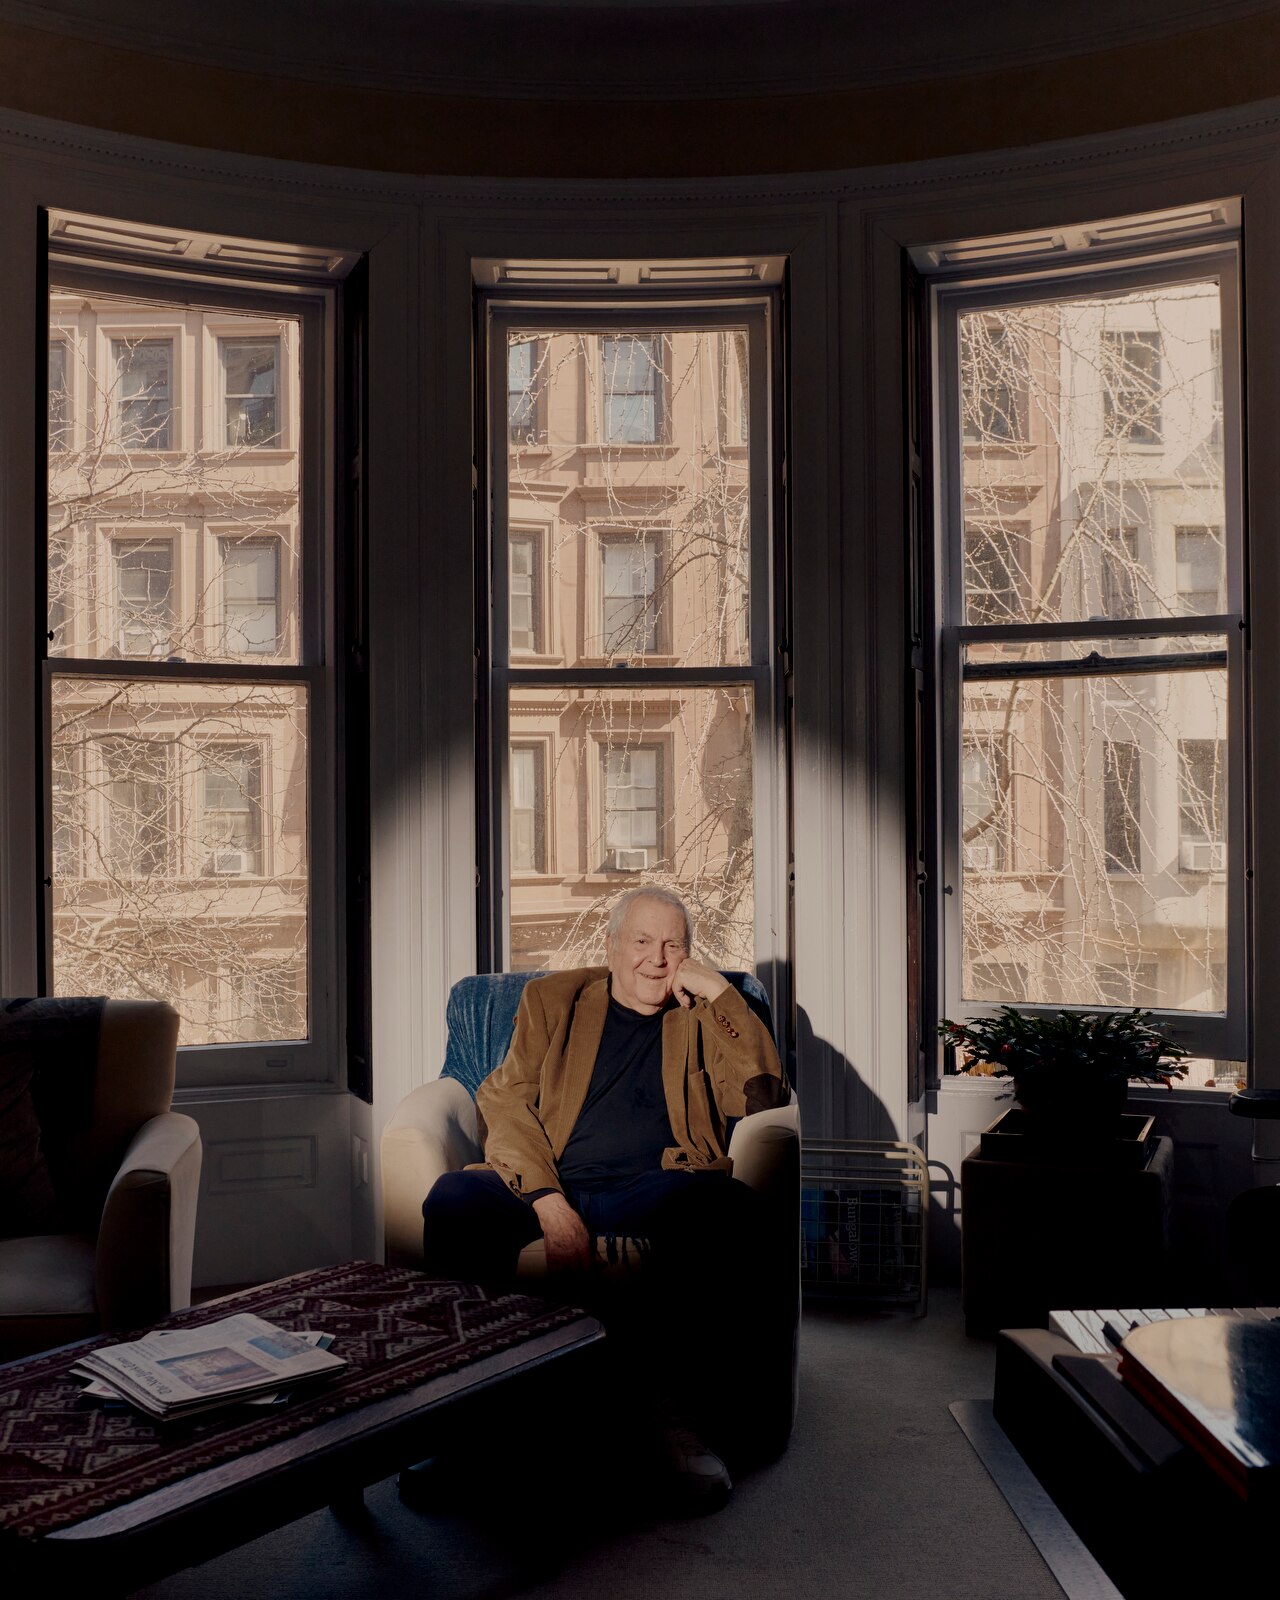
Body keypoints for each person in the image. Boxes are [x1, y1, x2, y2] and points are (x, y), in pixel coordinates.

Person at [420, 885, 788, 1510]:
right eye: (642, 941)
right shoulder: (553, 1002)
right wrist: (547, 1202)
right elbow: (503, 1101)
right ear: (613, 947)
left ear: (689, 956)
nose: (656, 958)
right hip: (553, 1180)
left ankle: (677, 1418)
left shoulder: (701, 1012)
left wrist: (721, 993)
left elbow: (762, 1097)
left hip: (654, 1187)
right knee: (453, 1198)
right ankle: (468, 1422)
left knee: (732, 1211)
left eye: (673, 945)